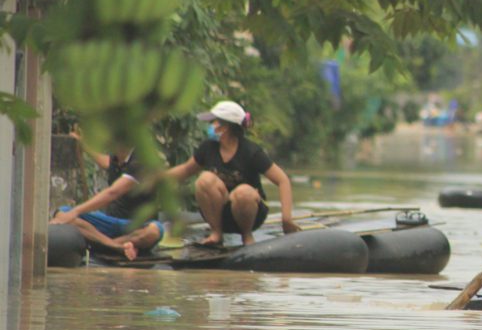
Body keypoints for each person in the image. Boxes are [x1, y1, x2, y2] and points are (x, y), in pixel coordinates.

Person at [165, 100, 299, 246]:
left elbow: (282, 180)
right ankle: (216, 233)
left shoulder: (251, 152)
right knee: (204, 179)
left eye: (214, 122)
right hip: (221, 214)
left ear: (225, 127)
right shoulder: (208, 148)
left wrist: (286, 220)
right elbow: (185, 170)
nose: (210, 126)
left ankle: (247, 237)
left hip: (249, 212)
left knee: (242, 193)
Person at [50, 135, 164, 261]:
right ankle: (116, 246)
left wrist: (76, 211)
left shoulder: (142, 161)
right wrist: (85, 145)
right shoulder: (116, 158)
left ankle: (105, 244)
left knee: (154, 231)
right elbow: (104, 162)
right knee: (62, 213)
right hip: (110, 222)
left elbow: (113, 193)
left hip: (136, 226)